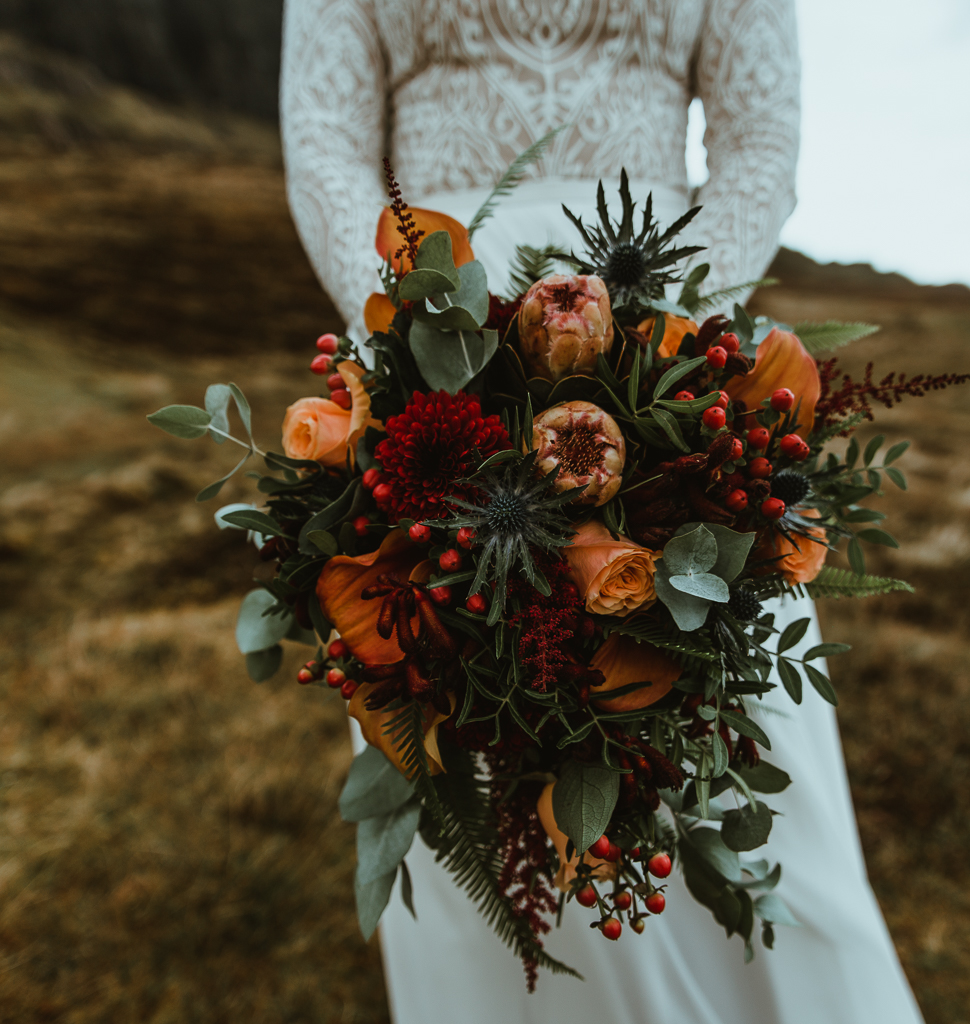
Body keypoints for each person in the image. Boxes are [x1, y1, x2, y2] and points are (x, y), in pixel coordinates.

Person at [280, 2, 924, 1021]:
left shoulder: (666, 349)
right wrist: (414, 345)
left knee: (733, 736)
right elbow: (324, 145)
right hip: (436, 349)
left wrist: (663, 343)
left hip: (667, 347)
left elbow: (759, 138)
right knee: (460, 730)